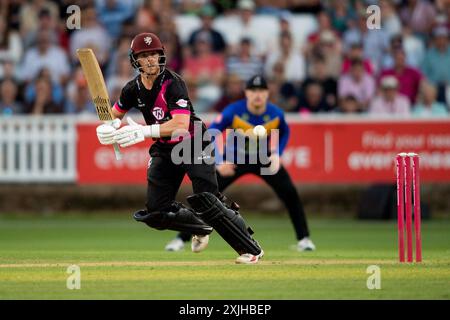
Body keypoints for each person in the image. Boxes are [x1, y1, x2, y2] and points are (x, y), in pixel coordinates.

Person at [95, 33, 264, 264]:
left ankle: (251, 249)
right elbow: (113, 116)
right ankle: (200, 227)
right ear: (136, 60)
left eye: (154, 53)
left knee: (208, 200)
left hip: (193, 142)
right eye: (144, 55)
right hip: (165, 149)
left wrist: (144, 131)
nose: (151, 59)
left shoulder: (173, 83)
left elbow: (181, 125)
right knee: (156, 213)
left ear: (161, 55)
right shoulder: (131, 89)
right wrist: (107, 128)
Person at [165, 75, 315, 252]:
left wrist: (277, 154)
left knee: (290, 194)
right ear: (246, 93)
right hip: (234, 160)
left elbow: (285, 132)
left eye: (261, 90)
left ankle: (304, 239)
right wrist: (219, 162)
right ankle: (180, 240)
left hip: (263, 160)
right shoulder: (233, 110)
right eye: (253, 90)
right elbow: (211, 133)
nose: (257, 94)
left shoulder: (276, 114)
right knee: (205, 197)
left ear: (267, 93)